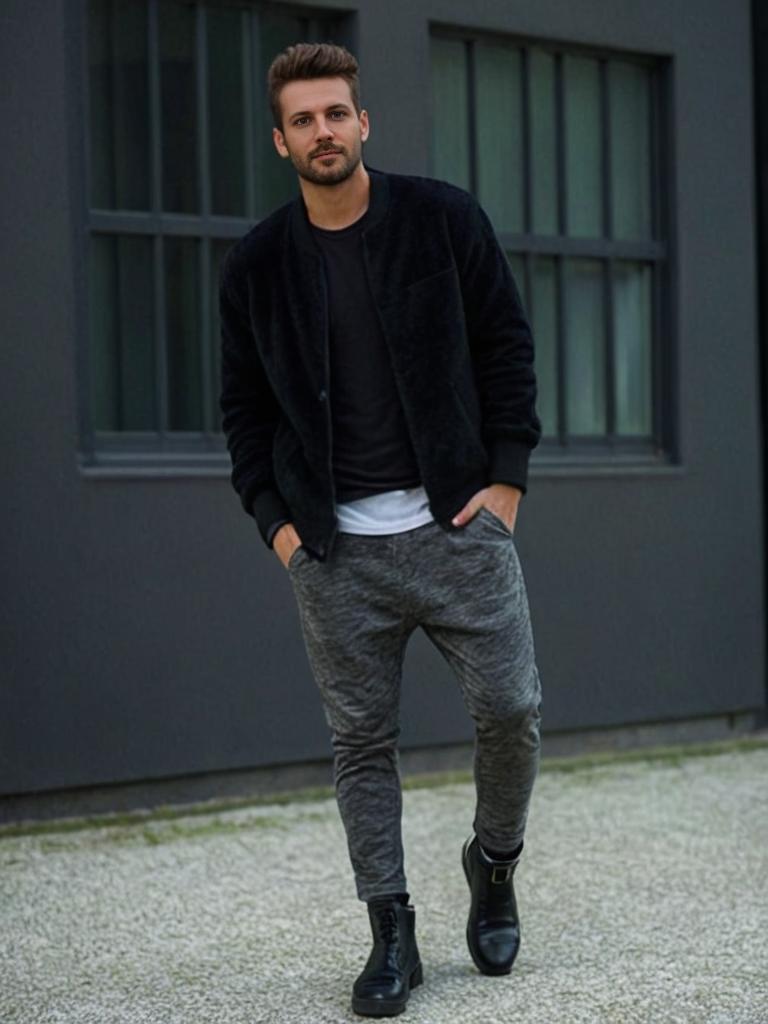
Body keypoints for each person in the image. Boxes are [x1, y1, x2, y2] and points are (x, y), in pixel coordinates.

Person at [219, 41, 543, 1018]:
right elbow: (243, 416)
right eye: (304, 119)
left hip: (458, 527)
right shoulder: (257, 267)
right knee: (361, 744)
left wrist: (507, 486)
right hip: (334, 553)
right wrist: (281, 532)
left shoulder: (444, 221)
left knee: (513, 709)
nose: (324, 131)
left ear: (365, 123)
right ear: (281, 142)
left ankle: (493, 864)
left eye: (336, 113)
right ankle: (389, 927)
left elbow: (506, 349)